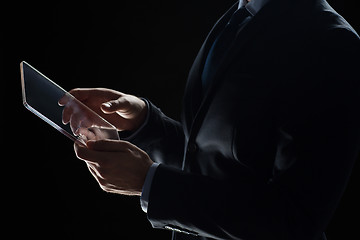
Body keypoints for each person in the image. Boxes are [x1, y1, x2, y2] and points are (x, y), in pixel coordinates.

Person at [60, 0, 360, 239]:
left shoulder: (329, 43)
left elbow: (293, 222)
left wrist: (151, 183)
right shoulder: (240, 14)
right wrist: (143, 123)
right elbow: (219, 164)